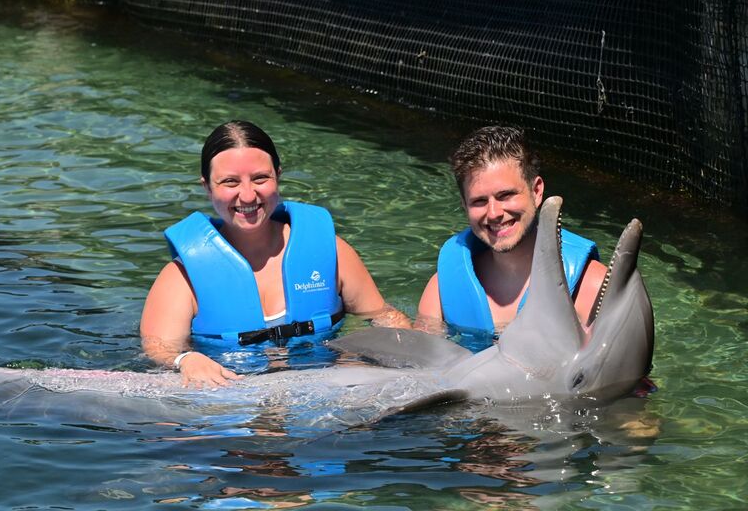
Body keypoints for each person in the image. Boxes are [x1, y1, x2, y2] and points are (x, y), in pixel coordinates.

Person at [141, 120, 410, 388]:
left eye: (260, 178)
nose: (247, 196)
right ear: (207, 187)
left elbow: (383, 315)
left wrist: (415, 353)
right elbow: (159, 348)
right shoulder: (183, 276)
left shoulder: (330, 252)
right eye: (230, 182)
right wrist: (186, 359)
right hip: (232, 402)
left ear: (278, 176)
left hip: (328, 392)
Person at [415, 125, 607, 349]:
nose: (494, 213)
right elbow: (421, 366)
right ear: (464, 205)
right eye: (479, 201)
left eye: (506, 195)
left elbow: (625, 376)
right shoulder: (442, 289)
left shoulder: (592, 286)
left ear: (536, 191)